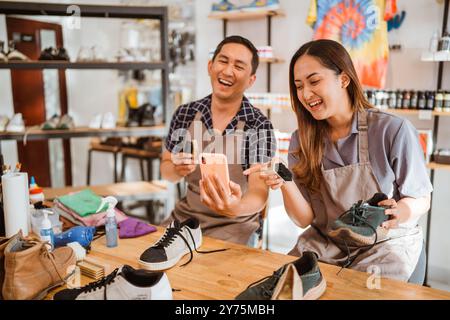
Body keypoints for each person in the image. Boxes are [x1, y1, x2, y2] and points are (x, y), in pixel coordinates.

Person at [245, 39, 432, 282]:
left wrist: (402, 210)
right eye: (298, 86)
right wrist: (284, 180)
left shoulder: (392, 130)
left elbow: (422, 198)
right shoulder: (301, 140)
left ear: (344, 79)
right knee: (284, 288)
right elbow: (304, 219)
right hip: (326, 245)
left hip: (385, 246)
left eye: (314, 81)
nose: (305, 94)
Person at [161, 35, 276, 246]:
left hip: (236, 225)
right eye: (223, 61)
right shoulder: (185, 114)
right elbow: (166, 170)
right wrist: (178, 169)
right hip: (186, 219)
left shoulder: (259, 125)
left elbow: (259, 193)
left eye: (239, 66)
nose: (228, 71)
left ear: (251, 80)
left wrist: (235, 208)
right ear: (210, 66)